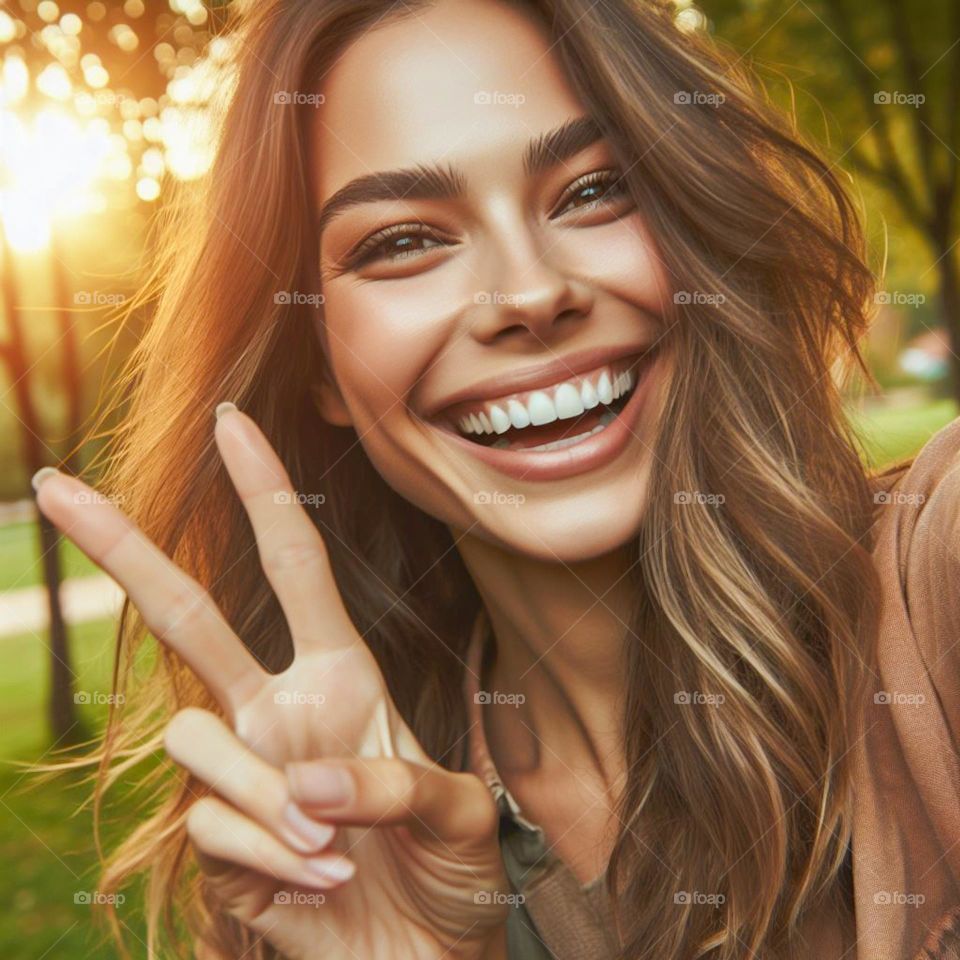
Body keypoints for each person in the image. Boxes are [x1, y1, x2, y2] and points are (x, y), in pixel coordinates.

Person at [33, 0, 960, 957]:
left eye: (594, 189)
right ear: (316, 365)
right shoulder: (328, 848)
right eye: (402, 242)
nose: (527, 292)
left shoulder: (936, 583)